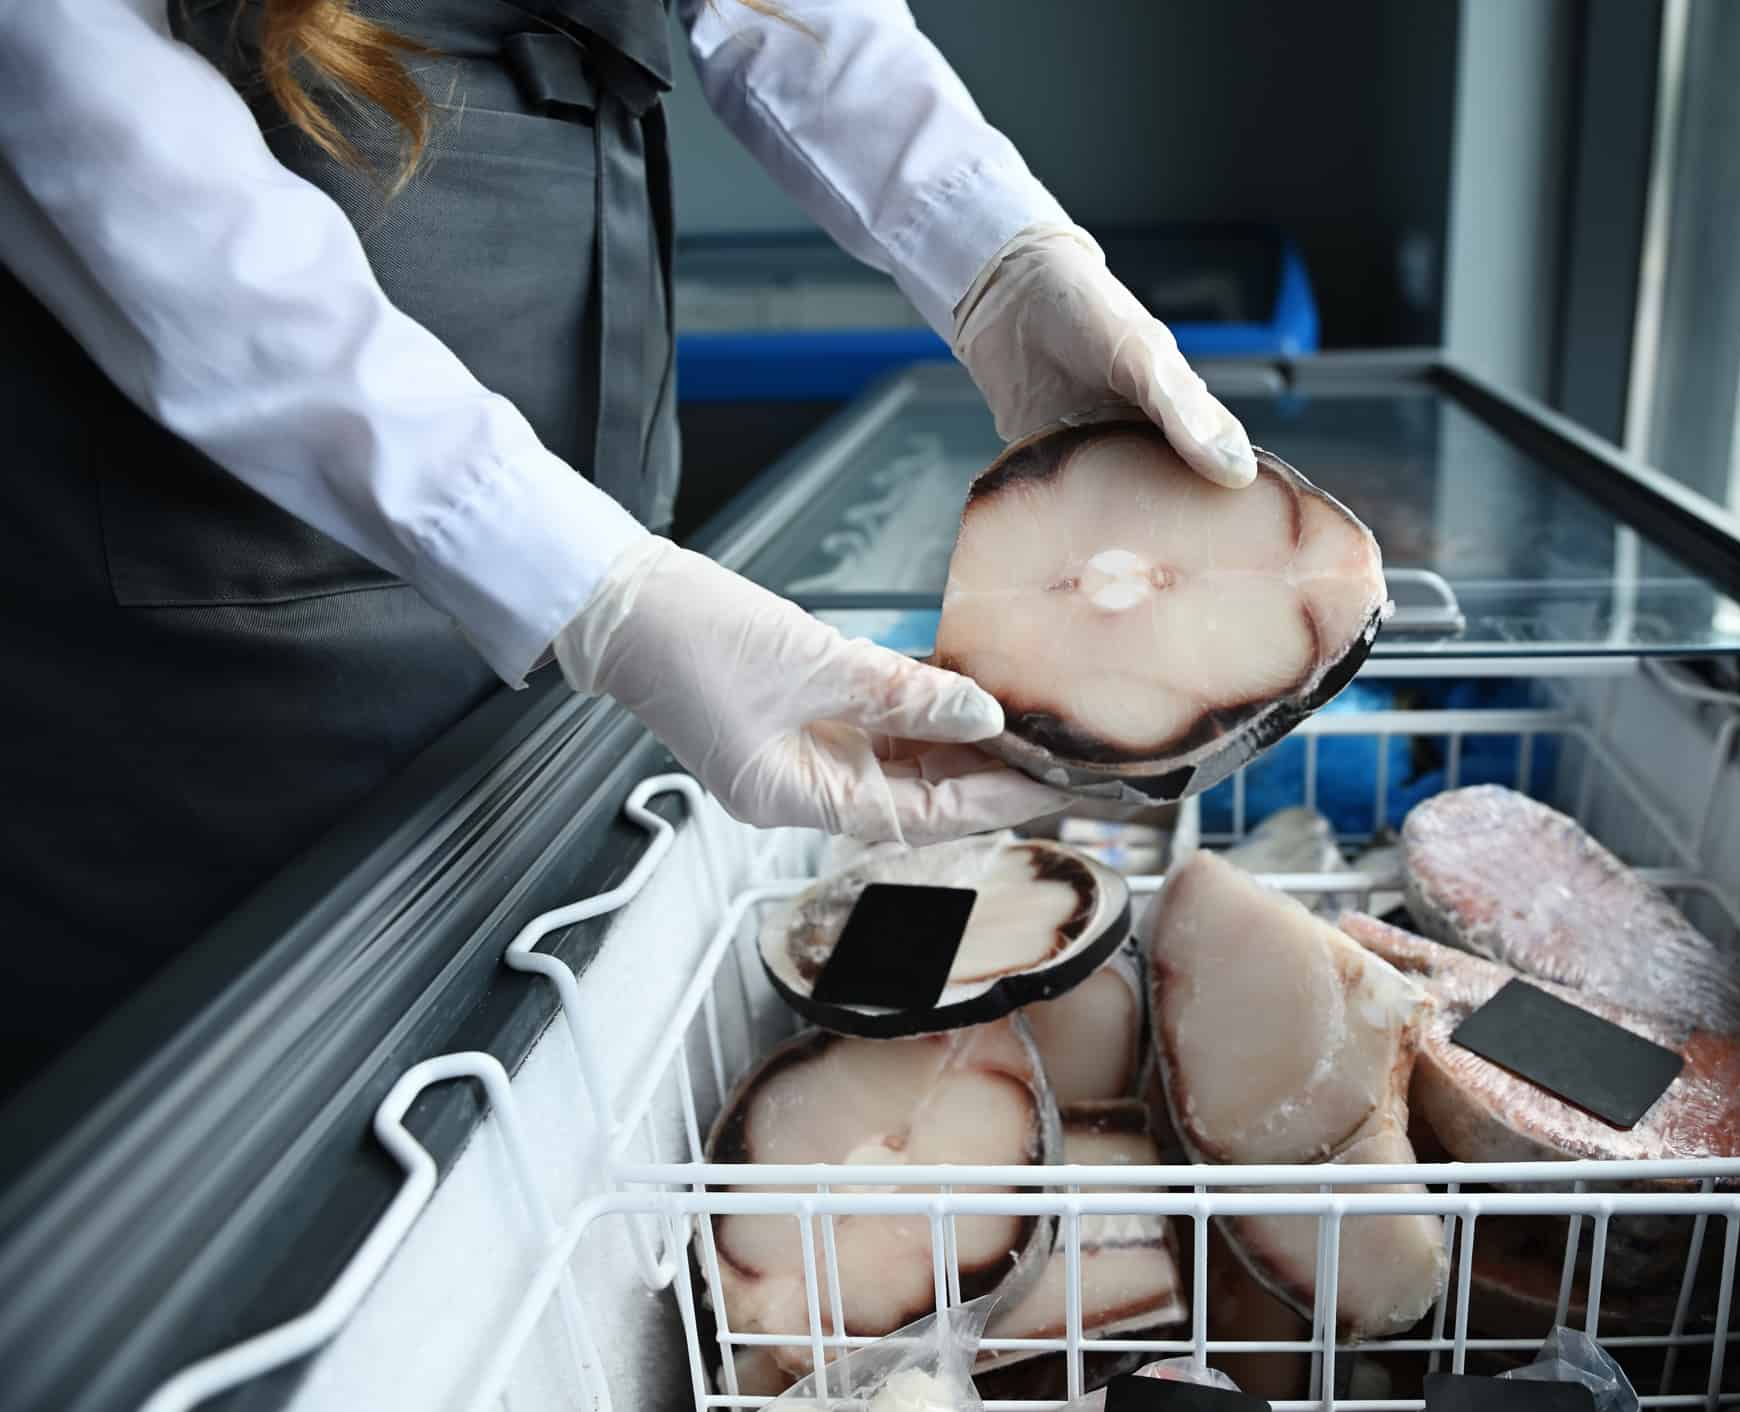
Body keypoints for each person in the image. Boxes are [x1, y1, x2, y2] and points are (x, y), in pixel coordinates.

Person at [0, 0, 1254, 1093]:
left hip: (580, 425)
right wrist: (587, 581)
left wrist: (994, 250)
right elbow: (79, 111)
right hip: (219, 593)